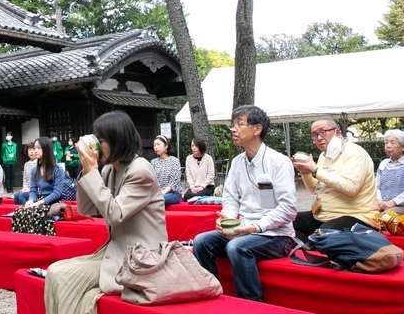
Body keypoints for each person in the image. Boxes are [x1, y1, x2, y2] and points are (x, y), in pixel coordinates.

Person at [44, 111, 166, 314]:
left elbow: (114, 214)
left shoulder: (141, 170)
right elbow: (88, 209)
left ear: (117, 140)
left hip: (141, 256)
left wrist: (92, 172)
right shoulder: (111, 168)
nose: (96, 147)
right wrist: (86, 170)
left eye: (100, 141)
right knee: (54, 272)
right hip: (117, 249)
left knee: (62, 277)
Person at [192, 105, 297, 302]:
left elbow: (289, 209)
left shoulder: (279, 162)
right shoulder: (238, 162)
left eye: (239, 124)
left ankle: (252, 304)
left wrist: (255, 227)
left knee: (237, 247)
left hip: (276, 235)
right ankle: (213, 296)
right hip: (244, 229)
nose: (233, 129)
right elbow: (231, 198)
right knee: (201, 242)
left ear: (257, 129)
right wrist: (229, 220)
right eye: (233, 124)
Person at [292, 119, 379, 242]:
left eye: (323, 132)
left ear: (338, 132)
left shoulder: (355, 153)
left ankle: (313, 249)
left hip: (355, 215)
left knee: (323, 233)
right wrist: (305, 172)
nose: (319, 138)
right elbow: (315, 190)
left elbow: (351, 188)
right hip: (324, 214)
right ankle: (305, 250)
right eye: (315, 135)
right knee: (287, 222)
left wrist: (316, 170)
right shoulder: (324, 155)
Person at [15, 136, 65, 208]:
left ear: (46, 149)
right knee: (19, 212)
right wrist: (31, 200)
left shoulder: (57, 169)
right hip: (39, 199)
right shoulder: (34, 170)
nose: (35, 151)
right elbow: (33, 190)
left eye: (38, 148)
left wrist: (38, 203)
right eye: (35, 148)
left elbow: (57, 193)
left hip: (53, 202)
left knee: (29, 214)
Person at [150, 135, 182, 206]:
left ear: (166, 146)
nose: (156, 147)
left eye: (158, 144)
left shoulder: (174, 161)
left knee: (158, 199)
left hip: (173, 193)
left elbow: (175, 181)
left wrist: (163, 192)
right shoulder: (153, 162)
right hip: (157, 193)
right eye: (154, 145)